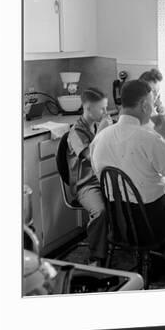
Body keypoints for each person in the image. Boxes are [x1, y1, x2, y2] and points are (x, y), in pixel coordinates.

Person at [90, 79, 165, 285]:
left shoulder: (100, 138)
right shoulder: (148, 138)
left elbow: (99, 173)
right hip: (149, 223)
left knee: (163, 199)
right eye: (152, 102)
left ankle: (156, 263)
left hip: (117, 220)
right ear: (144, 105)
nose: (153, 107)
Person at [65, 87, 113, 266]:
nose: (106, 112)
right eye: (102, 109)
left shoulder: (96, 124)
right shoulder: (76, 133)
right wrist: (102, 131)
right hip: (86, 185)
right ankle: (96, 257)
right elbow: (92, 156)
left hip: (105, 179)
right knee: (100, 211)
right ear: (88, 109)